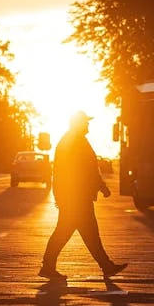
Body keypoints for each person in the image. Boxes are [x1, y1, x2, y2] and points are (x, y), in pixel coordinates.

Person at [39, 110, 127, 282]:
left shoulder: (75, 141)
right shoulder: (74, 142)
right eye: (85, 122)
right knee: (79, 232)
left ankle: (49, 266)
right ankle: (49, 266)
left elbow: (87, 169)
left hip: (76, 196)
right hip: (76, 197)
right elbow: (83, 170)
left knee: (78, 232)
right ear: (78, 124)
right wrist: (100, 186)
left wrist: (98, 186)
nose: (88, 125)